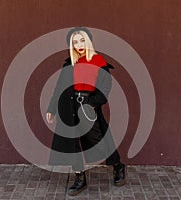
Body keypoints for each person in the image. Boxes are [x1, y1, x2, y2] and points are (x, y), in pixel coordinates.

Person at [46, 27, 125, 196]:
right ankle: (79, 177)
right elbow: (59, 87)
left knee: (100, 139)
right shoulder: (70, 63)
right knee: (72, 143)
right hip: (69, 106)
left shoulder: (98, 62)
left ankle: (118, 166)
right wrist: (52, 109)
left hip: (88, 105)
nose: (79, 44)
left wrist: (93, 103)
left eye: (82, 40)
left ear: (88, 41)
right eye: (75, 42)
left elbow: (105, 87)